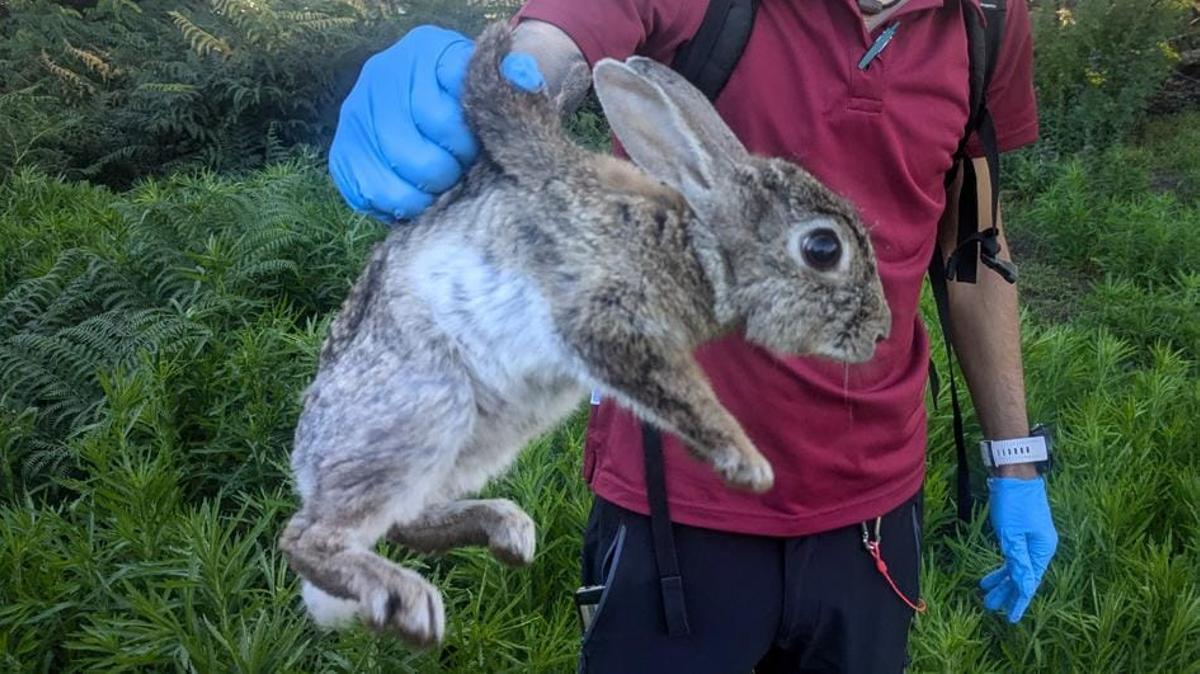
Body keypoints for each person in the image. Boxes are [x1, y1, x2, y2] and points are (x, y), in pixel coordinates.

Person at [327, 0, 1059, 671]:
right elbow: (564, 40)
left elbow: (975, 244)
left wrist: (1015, 461)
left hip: (873, 511)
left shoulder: (988, 19)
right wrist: (495, 89)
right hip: (675, 511)